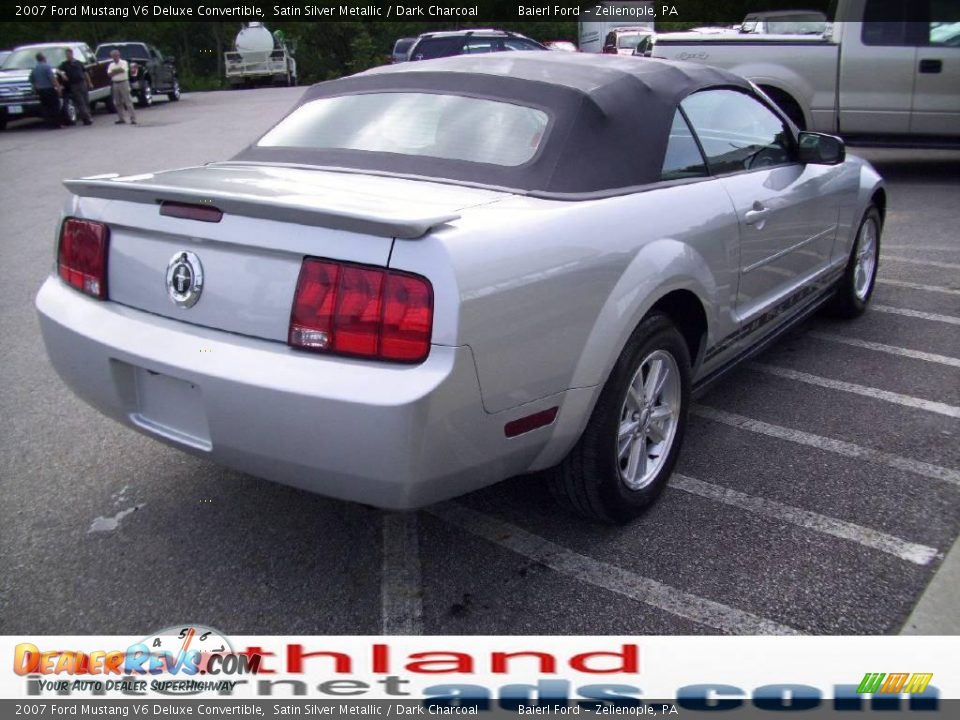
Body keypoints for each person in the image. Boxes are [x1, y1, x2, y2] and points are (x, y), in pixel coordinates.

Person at [57, 48, 93, 126]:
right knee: (80, 102)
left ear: (72, 54)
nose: (68, 56)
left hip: (82, 83)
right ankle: (86, 118)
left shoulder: (79, 63)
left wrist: (89, 82)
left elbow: (85, 73)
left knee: (85, 100)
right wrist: (62, 74)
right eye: (66, 55)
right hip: (73, 84)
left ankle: (87, 117)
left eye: (69, 54)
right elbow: (57, 70)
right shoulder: (64, 64)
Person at [29, 52, 61, 128]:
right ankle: (57, 123)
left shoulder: (35, 69)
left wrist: (35, 88)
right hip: (49, 89)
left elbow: (31, 80)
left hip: (40, 91)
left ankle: (49, 124)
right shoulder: (47, 67)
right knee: (55, 106)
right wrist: (58, 87)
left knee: (45, 107)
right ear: (43, 58)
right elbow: (52, 78)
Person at [107, 49, 137, 125]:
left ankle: (133, 118)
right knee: (117, 102)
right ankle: (121, 118)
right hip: (115, 83)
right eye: (113, 56)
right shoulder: (111, 65)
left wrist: (114, 72)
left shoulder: (124, 62)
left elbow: (122, 70)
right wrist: (116, 71)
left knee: (128, 101)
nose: (114, 58)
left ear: (118, 55)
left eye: (115, 56)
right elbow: (109, 74)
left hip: (124, 82)